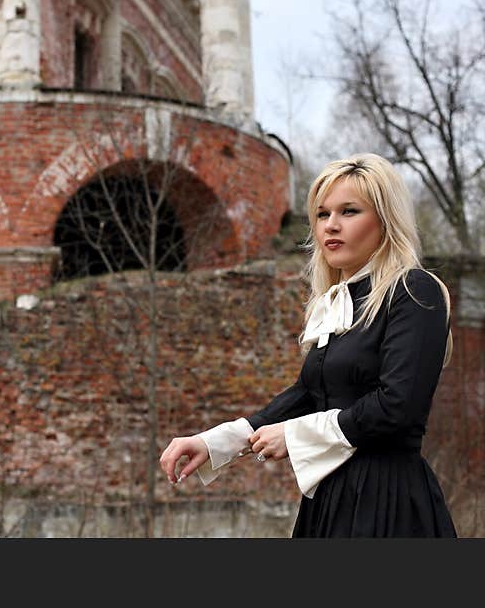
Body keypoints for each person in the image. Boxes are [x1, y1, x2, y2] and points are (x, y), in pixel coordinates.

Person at [160, 154, 457, 537]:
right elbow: (307, 393)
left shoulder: (415, 292)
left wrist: (296, 435)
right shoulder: (333, 304)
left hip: (388, 501)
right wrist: (216, 442)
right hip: (329, 498)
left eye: (349, 211)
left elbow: (397, 406)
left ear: (385, 220)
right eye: (322, 214)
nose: (331, 225)